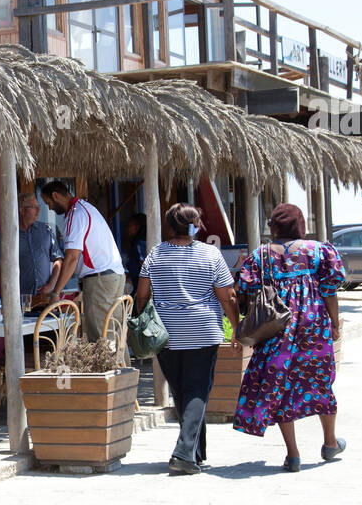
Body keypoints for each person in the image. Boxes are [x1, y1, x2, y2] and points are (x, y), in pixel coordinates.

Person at [232, 202, 347, 472]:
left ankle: (293, 454)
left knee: (281, 386)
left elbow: (246, 290)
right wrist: (334, 323)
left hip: (276, 329)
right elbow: (330, 290)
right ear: (300, 225)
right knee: (320, 381)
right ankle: (330, 443)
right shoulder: (318, 250)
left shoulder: (260, 255)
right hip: (313, 327)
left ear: (274, 226)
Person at [134, 204, 239, 475]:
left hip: (166, 335)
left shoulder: (155, 255)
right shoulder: (210, 255)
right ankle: (183, 452)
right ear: (196, 225)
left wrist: (142, 316)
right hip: (203, 332)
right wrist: (236, 325)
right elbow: (227, 296)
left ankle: (196, 451)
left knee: (182, 391)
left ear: (170, 225)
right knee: (196, 391)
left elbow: (142, 294)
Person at [40, 180, 125, 342]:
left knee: (101, 339)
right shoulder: (86, 208)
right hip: (113, 276)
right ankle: (123, 367)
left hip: (99, 279)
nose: (49, 207)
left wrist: (56, 293)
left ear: (56, 195)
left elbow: (72, 258)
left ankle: (109, 368)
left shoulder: (75, 213)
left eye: (48, 202)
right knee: (115, 336)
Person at [0, 194, 63, 303]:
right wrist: (6, 289)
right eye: (34, 207)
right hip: (19, 300)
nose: (38, 210)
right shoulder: (7, 234)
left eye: (39, 206)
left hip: (45, 298)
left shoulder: (46, 230)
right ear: (22, 210)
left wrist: (51, 285)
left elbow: (58, 259)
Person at [123, 213, 148, 287]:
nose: (126, 228)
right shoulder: (135, 243)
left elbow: (144, 268)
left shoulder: (140, 244)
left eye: (128, 225)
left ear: (137, 227)